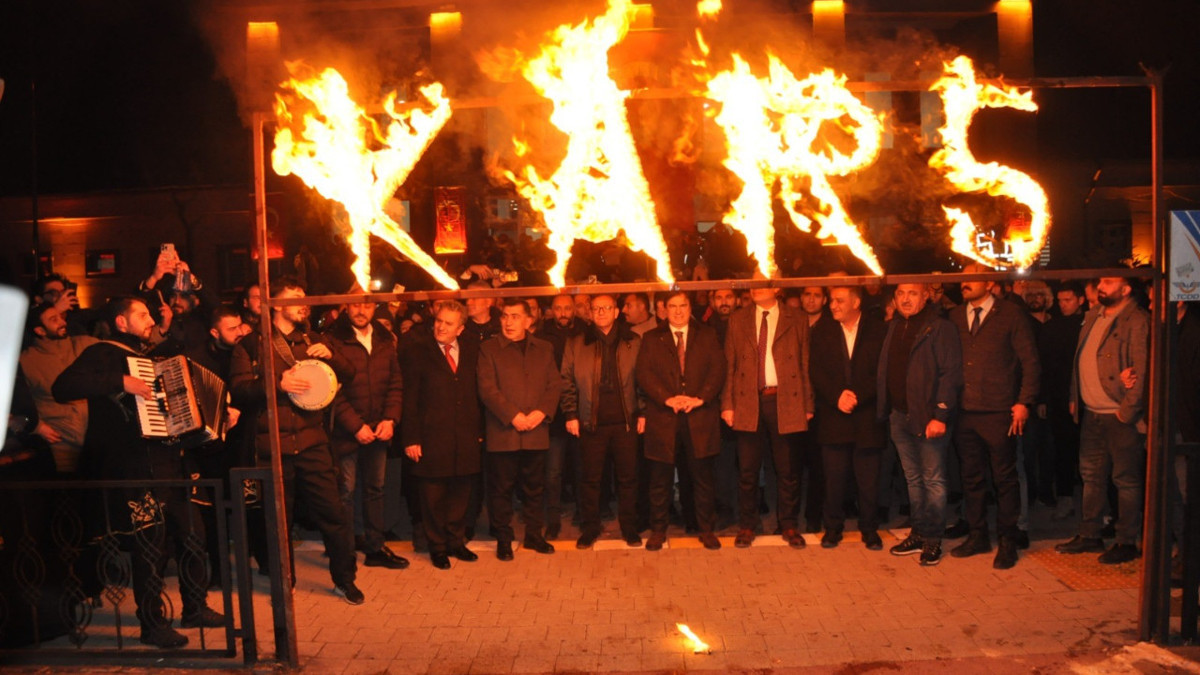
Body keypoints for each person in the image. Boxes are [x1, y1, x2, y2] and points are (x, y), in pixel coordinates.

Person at [53, 296, 224, 647]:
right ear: (121, 322)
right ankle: (151, 623)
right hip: (135, 468)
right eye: (142, 315)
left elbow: (177, 412)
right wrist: (120, 381)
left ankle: (195, 607)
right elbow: (63, 387)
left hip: (172, 463)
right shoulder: (102, 353)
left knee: (193, 535)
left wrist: (214, 420)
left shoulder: (154, 358)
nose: (150, 321)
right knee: (151, 547)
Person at [229, 277, 364, 604]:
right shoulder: (251, 345)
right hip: (272, 447)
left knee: (333, 514)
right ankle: (284, 582)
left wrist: (331, 355)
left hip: (313, 443)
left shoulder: (314, 339)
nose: (303, 303)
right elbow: (240, 390)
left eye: (304, 297)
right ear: (275, 304)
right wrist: (277, 384)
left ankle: (345, 579)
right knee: (278, 522)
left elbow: (349, 373)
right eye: (295, 297)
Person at [949, 265, 1040, 570]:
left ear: (989, 283)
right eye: (962, 278)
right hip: (965, 410)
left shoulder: (1010, 314)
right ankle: (978, 535)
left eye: (971, 277)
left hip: (1000, 410)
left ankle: (1008, 540)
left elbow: (1030, 361)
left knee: (1004, 479)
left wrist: (1024, 402)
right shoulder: (955, 316)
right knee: (971, 477)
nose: (964, 283)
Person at [1055, 276, 1149, 565]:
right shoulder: (1094, 315)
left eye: (1109, 281)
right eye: (1101, 281)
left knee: (1125, 479)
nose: (1101, 286)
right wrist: (1075, 394)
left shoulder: (1136, 320)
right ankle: (1090, 533)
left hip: (1118, 414)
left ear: (1126, 289)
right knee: (1091, 475)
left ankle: (1126, 540)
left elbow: (1142, 369)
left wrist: (1127, 411)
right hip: (1092, 411)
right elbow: (1080, 358)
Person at [721, 281, 813, 549]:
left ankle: (789, 524)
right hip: (748, 400)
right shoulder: (738, 319)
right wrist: (727, 404)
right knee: (747, 470)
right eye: (753, 283)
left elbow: (804, 363)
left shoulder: (796, 318)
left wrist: (807, 403)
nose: (756, 287)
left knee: (787, 470)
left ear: (777, 288)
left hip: (784, 399)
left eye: (763, 283)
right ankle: (747, 525)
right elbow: (730, 363)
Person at [877, 284, 962, 566]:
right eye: (900, 294)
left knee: (933, 479)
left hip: (929, 417)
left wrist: (940, 415)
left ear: (926, 296)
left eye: (912, 293)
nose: (905, 299)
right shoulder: (895, 326)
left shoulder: (940, 328)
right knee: (913, 479)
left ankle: (933, 539)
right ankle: (919, 533)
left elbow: (950, 374)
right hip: (899, 415)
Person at [636, 291, 726, 551]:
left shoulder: (707, 335)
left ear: (690, 308)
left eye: (683, 305)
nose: (677, 311)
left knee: (702, 479)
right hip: (664, 417)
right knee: (660, 480)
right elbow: (644, 374)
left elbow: (718, 370)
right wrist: (667, 399)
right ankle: (658, 531)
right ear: (664, 309)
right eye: (672, 306)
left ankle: (706, 529)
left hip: (699, 416)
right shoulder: (651, 338)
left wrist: (700, 398)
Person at [477, 298, 563, 560]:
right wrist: (513, 415)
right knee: (501, 489)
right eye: (504, 316)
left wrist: (541, 412)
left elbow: (554, 385)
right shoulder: (489, 349)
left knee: (535, 488)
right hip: (503, 431)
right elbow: (487, 389)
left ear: (529, 320)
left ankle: (534, 535)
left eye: (515, 316)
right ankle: (503, 538)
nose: (508, 322)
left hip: (536, 430)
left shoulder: (544, 348)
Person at [402, 301, 482, 569]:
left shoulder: (472, 349)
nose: (441, 327)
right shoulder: (418, 351)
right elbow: (410, 398)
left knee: (461, 493)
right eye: (439, 321)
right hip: (431, 437)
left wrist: (479, 432)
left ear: (460, 329)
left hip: (465, 436)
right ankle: (436, 546)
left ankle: (456, 542)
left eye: (448, 323)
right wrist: (411, 438)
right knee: (433, 497)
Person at [560, 293, 644, 548]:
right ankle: (590, 528)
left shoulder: (633, 341)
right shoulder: (577, 343)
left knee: (628, 478)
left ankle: (629, 527)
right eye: (596, 308)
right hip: (590, 422)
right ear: (589, 313)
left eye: (606, 308)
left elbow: (643, 379)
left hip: (625, 421)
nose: (601, 312)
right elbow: (566, 381)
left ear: (616, 312)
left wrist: (642, 412)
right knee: (590, 479)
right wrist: (571, 414)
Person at [329, 300, 408, 570]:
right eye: (355, 305)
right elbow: (331, 389)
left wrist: (390, 419)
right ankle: (344, 552)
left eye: (367, 305)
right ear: (345, 307)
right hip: (346, 431)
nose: (361, 310)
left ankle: (375, 548)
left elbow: (395, 383)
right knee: (345, 492)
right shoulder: (333, 340)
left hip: (378, 428)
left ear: (375, 308)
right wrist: (355, 426)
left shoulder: (385, 339)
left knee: (376, 490)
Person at [809, 286, 888, 550]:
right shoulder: (822, 330)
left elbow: (882, 371)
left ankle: (870, 529)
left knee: (868, 480)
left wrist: (857, 396)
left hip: (867, 416)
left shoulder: (877, 329)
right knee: (834, 479)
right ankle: (832, 529)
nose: (832, 305)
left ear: (856, 302)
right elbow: (815, 369)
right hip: (834, 416)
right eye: (831, 300)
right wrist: (836, 396)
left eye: (839, 301)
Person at [19, 303, 98, 474]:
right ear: (40, 331)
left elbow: (117, 351)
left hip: (96, 441)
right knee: (67, 487)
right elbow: (11, 403)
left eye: (61, 317)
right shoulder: (26, 362)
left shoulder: (84, 344)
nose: (62, 322)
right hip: (61, 443)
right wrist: (35, 425)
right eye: (53, 319)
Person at [1041, 283, 1087, 519]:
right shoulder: (1052, 327)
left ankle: (1090, 502)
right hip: (1058, 396)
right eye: (1060, 301)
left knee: (1087, 451)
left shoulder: (1088, 325)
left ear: (1080, 300)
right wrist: (1043, 398)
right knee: (1063, 449)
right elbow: (1044, 364)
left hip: (1084, 396)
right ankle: (1066, 497)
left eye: (1068, 300)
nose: (1063, 305)